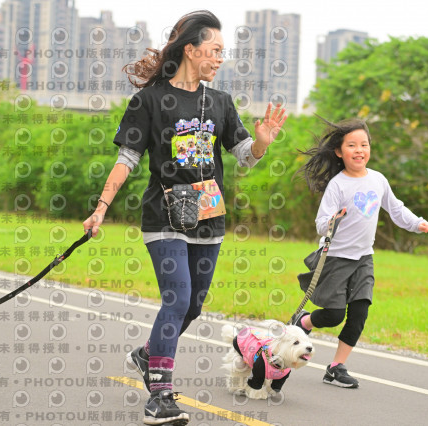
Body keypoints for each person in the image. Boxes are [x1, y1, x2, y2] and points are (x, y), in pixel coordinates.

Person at [82, 10, 287, 425]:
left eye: (223, 52)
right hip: (164, 216)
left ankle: (148, 355)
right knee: (176, 298)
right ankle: (160, 396)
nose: (220, 59)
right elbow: (127, 158)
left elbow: (244, 155)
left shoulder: (221, 102)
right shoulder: (149, 100)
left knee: (192, 306)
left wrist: (262, 143)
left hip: (208, 217)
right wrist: (101, 207)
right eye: (215, 50)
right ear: (191, 50)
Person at [292, 116, 428, 388]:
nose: (359, 150)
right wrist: (334, 219)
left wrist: (417, 223)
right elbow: (321, 224)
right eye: (352, 145)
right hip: (335, 258)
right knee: (334, 315)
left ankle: (336, 367)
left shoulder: (378, 180)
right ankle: (306, 321)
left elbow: (396, 209)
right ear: (339, 151)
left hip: (364, 259)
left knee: (359, 313)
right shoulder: (338, 184)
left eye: (364, 145)